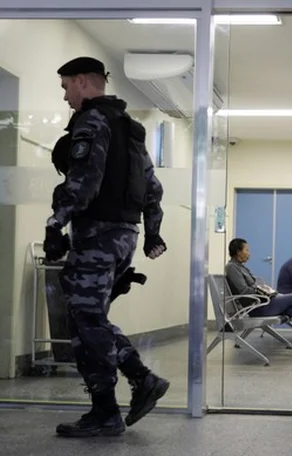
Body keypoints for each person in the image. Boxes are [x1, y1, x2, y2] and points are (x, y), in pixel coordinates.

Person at [44, 57, 170, 438]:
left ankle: (135, 384)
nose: (66, 96)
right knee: (87, 319)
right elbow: (153, 187)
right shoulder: (129, 129)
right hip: (122, 235)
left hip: (97, 235)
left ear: (83, 81)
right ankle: (108, 407)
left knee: (87, 317)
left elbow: (84, 181)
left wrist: (55, 223)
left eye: (66, 86)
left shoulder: (93, 121)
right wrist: (152, 232)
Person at [224, 238, 292, 358]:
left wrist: (266, 290)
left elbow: (252, 287)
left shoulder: (241, 267)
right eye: (247, 250)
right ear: (238, 252)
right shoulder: (232, 267)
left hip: (263, 302)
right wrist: (262, 292)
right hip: (256, 307)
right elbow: (244, 291)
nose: (249, 253)